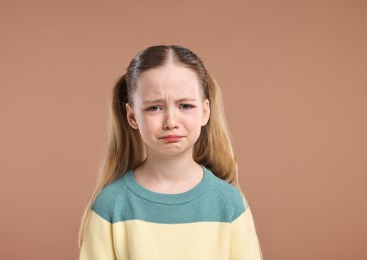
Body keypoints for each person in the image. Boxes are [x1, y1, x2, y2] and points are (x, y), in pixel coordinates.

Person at [78, 45, 262, 259]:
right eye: (154, 108)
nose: (171, 122)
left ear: (204, 112)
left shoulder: (229, 203)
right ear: (132, 116)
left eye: (185, 106)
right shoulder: (111, 205)